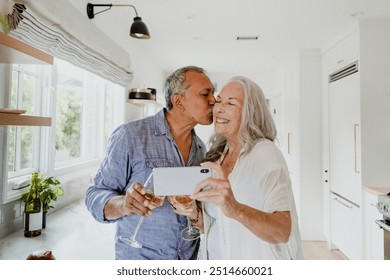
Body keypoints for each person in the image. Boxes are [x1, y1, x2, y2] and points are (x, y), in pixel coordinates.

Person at [85, 66, 216, 260]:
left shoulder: (200, 149)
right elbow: (94, 195)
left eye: (213, 93)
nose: (214, 100)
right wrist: (124, 204)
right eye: (206, 93)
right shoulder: (130, 135)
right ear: (178, 102)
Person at [189, 76, 304, 259]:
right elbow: (218, 224)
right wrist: (192, 212)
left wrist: (235, 208)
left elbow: (282, 231)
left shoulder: (265, 153)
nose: (219, 108)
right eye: (219, 101)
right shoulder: (218, 155)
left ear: (250, 113)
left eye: (231, 103)